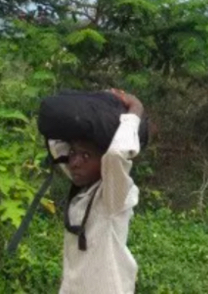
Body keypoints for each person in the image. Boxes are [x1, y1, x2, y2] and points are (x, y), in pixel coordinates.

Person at [48, 89, 144, 294]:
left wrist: (135, 109)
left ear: (103, 162)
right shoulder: (83, 190)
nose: (74, 163)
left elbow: (116, 155)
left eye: (85, 155)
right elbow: (56, 146)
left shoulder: (113, 198)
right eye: (73, 153)